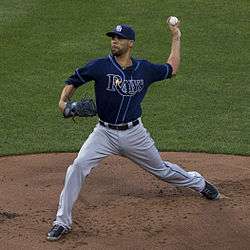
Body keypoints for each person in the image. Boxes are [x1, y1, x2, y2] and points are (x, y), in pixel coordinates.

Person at [47, 18, 220, 241]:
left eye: (120, 38)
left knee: (162, 170)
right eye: (113, 38)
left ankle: (199, 183)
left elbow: (172, 68)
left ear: (131, 43)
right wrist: (63, 104)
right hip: (104, 133)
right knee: (78, 167)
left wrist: (176, 37)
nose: (115, 41)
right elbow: (73, 82)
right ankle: (62, 221)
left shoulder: (144, 69)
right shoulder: (99, 66)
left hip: (134, 134)